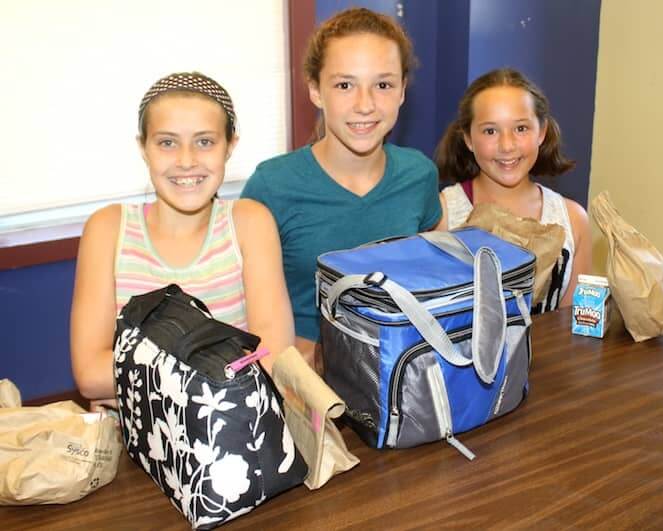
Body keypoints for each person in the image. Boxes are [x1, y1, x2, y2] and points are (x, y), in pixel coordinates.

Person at [70, 72, 293, 404]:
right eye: (167, 142)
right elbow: (90, 375)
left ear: (230, 146)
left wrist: (137, 374)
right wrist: (225, 362)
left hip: (232, 434)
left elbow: (274, 358)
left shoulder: (249, 223)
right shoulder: (108, 230)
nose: (186, 161)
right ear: (143, 148)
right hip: (133, 443)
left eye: (205, 141)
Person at [241, 8, 442, 366]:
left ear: (402, 92)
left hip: (401, 370)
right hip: (307, 378)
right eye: (344, 85)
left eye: (382, 85)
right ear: (316, 91)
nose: (365, 105)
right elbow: (245, 305)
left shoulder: (419, 175)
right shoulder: (272, 186)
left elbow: (434, 278)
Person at [435, 68, 591, 311]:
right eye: (490, 131)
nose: (507, 145)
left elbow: (574, 326)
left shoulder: (573, 220)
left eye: (520, 128)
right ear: (468, 138)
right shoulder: (443, 215)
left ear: (542, 131)